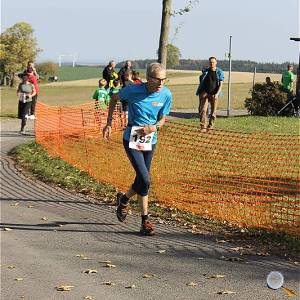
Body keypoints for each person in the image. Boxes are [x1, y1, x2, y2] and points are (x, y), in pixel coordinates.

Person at [103, 63, 172, 236]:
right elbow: (113, 99)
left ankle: (124, 199)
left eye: (164, 79)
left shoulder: (166, 94)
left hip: (150, 140)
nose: (161, 83)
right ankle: (145, 221)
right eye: (157, 79)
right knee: (145, 179)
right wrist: (109, 124)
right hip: (132, 139)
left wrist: (154, 127)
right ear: (148, 78)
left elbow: (163, 118)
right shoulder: (133, 90)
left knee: (143, 180)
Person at [196, 57, 224, 132]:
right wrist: (201, 92)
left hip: (214, 95)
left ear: (216, 62)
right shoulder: (206, 71)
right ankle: (203, 127)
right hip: (205, 94)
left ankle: (210, 127)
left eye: (213, 62)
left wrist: (217, 94)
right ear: (209, 63)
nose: (212, 64)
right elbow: (201, 80)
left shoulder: (219, 72)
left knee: (213, 112)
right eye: (210, 62)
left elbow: (221, 84)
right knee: (203, 110)